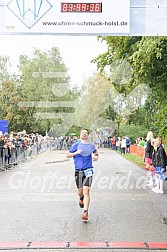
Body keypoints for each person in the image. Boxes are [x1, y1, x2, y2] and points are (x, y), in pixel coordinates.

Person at [67, 128, 99, 221]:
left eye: (86, 133)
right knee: (80, 191)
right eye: (83, 133)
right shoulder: (76, 145)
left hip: (88, 170)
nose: (84, 134)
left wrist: (96, 157)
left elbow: (96, 153)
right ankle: (81, 198)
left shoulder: (91, 146)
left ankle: (85, 212)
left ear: (87, 135)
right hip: (78, 171)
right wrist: (76, 152)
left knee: (86, 191)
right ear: (80, 135)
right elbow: (67, 155)